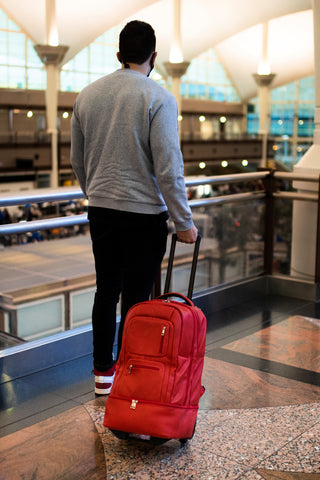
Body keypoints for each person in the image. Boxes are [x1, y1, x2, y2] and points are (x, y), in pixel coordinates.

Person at [71, 20, 198, 395]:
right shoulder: (158, 98)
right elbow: (168, 168)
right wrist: (184, 222)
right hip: (145, 215)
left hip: (102, 210)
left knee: (105, 289)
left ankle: (101, 374)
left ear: (118, 54)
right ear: (154, 57)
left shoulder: (87, 95)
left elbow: (77, 162)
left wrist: (96, 194)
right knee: (138, 297)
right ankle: (132, 371)